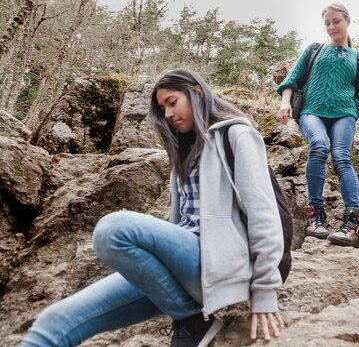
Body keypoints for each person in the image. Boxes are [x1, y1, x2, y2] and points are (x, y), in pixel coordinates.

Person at [21, 69, 285, 347]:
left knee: (113, 229)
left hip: (221, 264)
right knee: (54, 322)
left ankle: (191, 318)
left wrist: (265, 292)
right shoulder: (185, 151)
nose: (168, 114)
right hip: (184, 268)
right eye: (162, 108)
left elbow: (263, 215)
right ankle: (190, 318)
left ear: (196, 93)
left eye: (173, 102)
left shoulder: (236, 134)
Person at [276, 3, 359, 248]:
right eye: (327, 23)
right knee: (318, 146)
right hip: (312, 111)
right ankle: (315, 217)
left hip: (344, 115)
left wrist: (349, 128)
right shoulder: (314, 50)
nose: (331, 27)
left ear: (347, 20)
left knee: (341, 157)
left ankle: (352, 225)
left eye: (336, 21)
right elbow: (290, 81)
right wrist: (285, 104)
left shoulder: (358, 58)